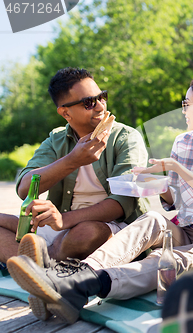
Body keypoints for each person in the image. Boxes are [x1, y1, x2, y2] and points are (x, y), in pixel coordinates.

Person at [6, 70, 193, 324]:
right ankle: (69, 279)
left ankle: (77, 286)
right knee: (151, 218)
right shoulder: (183, 142)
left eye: (187, 104)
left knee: (164, 260)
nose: (183, 111)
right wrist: (158, 182)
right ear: (65, 112)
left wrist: (178, 170)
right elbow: (176, 201)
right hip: (186, 229)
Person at [0, 67, 149, 264]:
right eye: (89, 102)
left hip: (111, 228)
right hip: (58, 227)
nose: (100, 106)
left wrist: (64, 221)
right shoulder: (56, 140)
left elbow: (122, 203)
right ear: (65, 113)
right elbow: (24, 188)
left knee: (85, 233)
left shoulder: (126, 138)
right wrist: (72, 161)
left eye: (101, 97)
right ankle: (42, 263)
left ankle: (36, 262)